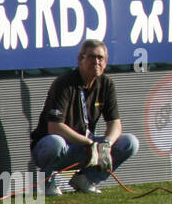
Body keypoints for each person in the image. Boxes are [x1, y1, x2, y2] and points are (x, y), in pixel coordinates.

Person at [29, 39, 139, 195]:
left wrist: (106, 144)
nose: (96, 62)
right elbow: (55, 128)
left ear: (106, 63)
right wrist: (88, 143)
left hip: (86, 148)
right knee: (55, 142)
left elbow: (115, 124)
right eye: (91, 57)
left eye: (100, 58)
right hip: (59, 147)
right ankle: (47, 183)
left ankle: (86, 179)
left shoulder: (106, 84)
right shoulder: (64, 83)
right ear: (80, 59)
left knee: (130, 142)